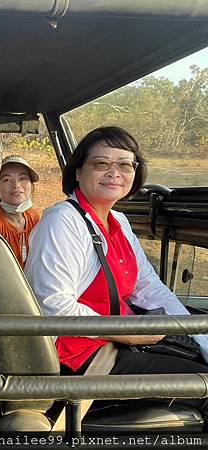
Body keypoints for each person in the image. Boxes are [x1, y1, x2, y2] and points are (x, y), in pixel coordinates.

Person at [24, 126, 208, 417]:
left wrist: (200, 337)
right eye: (101, 164)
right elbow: (53, 306)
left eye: (125, 164)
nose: (114, 172)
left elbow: (150, 289)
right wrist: (127, 333)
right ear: (77, 172)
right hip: (79, 356)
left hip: (115, 341)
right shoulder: (62, 222)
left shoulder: (119, 222)